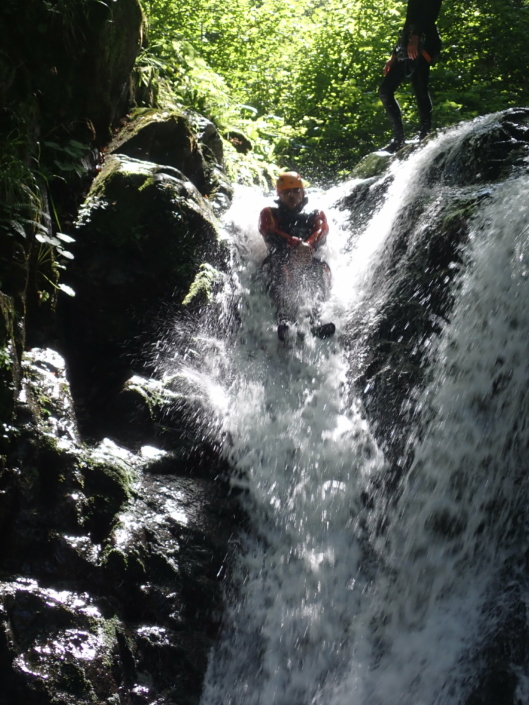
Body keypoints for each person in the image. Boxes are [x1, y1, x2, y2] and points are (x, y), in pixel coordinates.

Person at [258, 171, 335, 342]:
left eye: (295, 191)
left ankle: (315, 319)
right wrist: (295, 245)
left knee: (319, 268)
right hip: (278, 259)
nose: (291, 195)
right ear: (279, 195)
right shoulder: (269, 213)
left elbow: (322, 231)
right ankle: (283, 319)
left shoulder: (316, 214)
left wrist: (306, 246)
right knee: (279, 266)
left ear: (303, 193)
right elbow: (269, 230)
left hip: (308, 259)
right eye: (286, 192)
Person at [379, 0, 443, 153]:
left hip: (426, 41)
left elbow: (429, 15)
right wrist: (394, 55)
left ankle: (425, 134)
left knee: (419, 86)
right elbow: (409, 22)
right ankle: (399, 139)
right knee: (385, 91)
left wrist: (416, 37)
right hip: (408, 43)